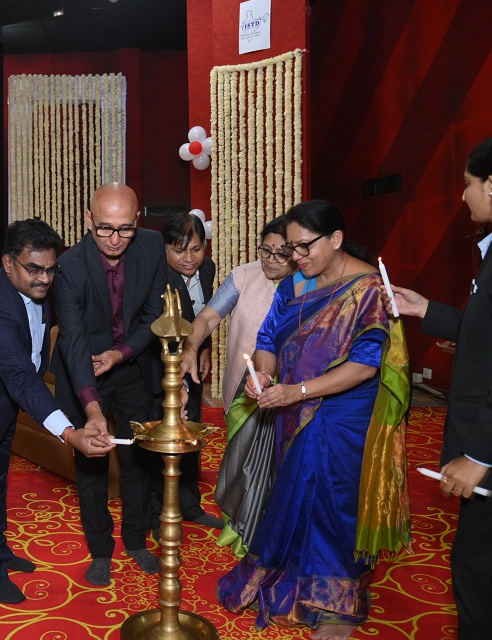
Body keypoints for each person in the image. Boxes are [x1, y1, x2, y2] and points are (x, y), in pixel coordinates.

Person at [390, 133, 492, 640]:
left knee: (480, 574)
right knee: (491, 573)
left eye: (467, 184)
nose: (462, 195)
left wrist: (480, 456)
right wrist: (427, 310)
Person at [217, 199, 411, 640]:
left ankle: (336, 603)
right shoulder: (295, 283)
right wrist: (265, 375)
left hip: (344, 414)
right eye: (291, 248)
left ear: (336, 239)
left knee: (334, 498)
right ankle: (295, 572)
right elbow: (269, 337)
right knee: (295, 489)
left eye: (305, 247)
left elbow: (364, 365)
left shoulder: (367, 288)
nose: (297, 257)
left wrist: (298, 391)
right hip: (290, 406)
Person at [0, 218, 115, 605]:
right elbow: (20, 377)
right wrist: (69, 432)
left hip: (2, 406)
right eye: (34, 269)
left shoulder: (36, 290)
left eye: (50, 269)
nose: (44, 279)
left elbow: (32, 362)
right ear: (8, 263)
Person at [51, 182, 166, 586]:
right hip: (84, 371)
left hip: (133, 365)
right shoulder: (69, 266)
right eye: (104, 228)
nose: (115, 239)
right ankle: (100, 550)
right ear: (88, 220)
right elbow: (73, 340)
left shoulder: (152, 246)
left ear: (137, 221)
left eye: (125, 228)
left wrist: (121, 354)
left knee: (138, 458)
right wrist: (92, 408)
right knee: (91, 464)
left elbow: (154, 315)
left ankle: (136, 539)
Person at [180, 215, 295, 555]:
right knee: (241, 463)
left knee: (280, 465)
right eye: (266, 251)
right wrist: (191, 345)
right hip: (242, 389)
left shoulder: (307, 284)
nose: (272, 260)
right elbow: (208, 317)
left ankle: (269, 531)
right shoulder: (244, 276)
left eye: (281, 254)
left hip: (288, 392)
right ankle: (239, 523)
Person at [152, 212, 224, 531]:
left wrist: (205, 347)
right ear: (165, 249)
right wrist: (175, 381)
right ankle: (158, 511)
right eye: (179, 250)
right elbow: (156, 331)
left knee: (192, 430)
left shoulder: (207, 269)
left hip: (192, 362)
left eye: (196, 249)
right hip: (161, 365)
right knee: (164, 438)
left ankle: (190, 505)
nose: (189, 258)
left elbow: (204, 315)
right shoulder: (156, 277)